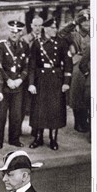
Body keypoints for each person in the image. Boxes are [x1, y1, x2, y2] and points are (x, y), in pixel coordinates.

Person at [28, 18, 72, 150]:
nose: (55, 30)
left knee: (55, 109)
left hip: (56, 80)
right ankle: (38, 138)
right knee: (40, 109)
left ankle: (53, 139)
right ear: (45, 29)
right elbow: (32, 65)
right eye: (52, 28)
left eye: (55, 27)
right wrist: (31, 83)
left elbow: (68, 64)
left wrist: (66, 82)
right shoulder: (37, 43)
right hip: (41, 79)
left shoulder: (62, 43)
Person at [0, 20, 29, 149]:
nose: (14, 34)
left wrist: (20, 79)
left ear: (21, 33)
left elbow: (27, 65)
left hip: (18, 85)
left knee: (16, 115)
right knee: (1, 115)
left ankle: (14, 139)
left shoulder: (24, 46)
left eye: (17, 32)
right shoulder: (2, 46)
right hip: (5, 85)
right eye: (12, 32)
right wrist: (8, 80)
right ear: (9, 32)